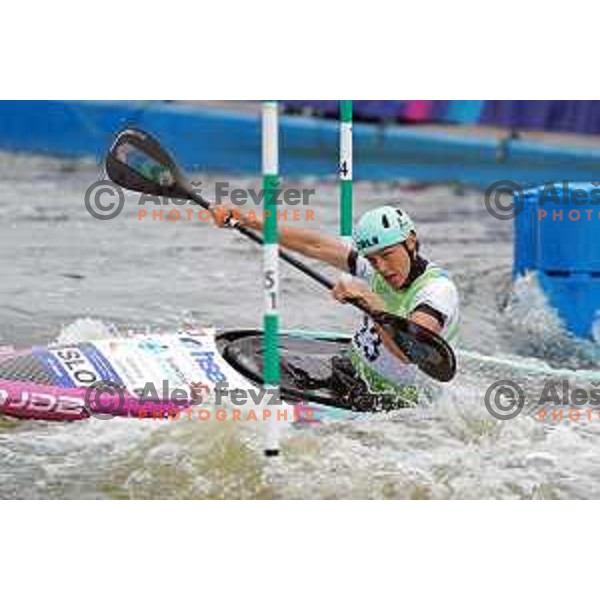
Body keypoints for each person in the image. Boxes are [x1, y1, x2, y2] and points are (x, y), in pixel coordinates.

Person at [211, 204, 459, 411]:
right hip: (350, 370)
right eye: (373, 260)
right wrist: (248, 220)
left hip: (392, 401)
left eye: (388, 255)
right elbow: (314, 245)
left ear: (411, 241)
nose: (381, 268)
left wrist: (370, 300)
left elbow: (411, 352)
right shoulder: (375, 266)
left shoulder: (436, 292)